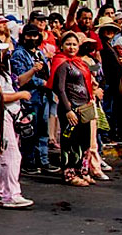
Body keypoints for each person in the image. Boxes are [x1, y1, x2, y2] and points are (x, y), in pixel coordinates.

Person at [0, 38, 33, 208]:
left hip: (11, 115)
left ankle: (2, 191)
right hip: (3, 115)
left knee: (9, 154)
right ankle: (11, 193)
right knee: (11, 156)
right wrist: (20, 95)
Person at [49, 32, 95, 186]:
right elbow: (60, 89)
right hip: (70, 108)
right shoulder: (61, 64)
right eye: (68, 44)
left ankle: (82, 170)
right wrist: (68, 110)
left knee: (84, 141)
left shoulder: (79, 63)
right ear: (61, 46)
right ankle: (69, 174)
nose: (71, 47)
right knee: (70, 141)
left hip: (83, 107)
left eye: (74, 44)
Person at [10, 25, 57, 175]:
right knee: (29, 131)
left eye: (35, 36)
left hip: (43, 96)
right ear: (23, 37)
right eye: (29, 36)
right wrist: (40, 81)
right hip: (30, 96)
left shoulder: (39, 52)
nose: (32, 39)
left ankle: (43, 161)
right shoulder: (19, 53)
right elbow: (19, 77)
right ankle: (29, 162)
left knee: (43, 131)